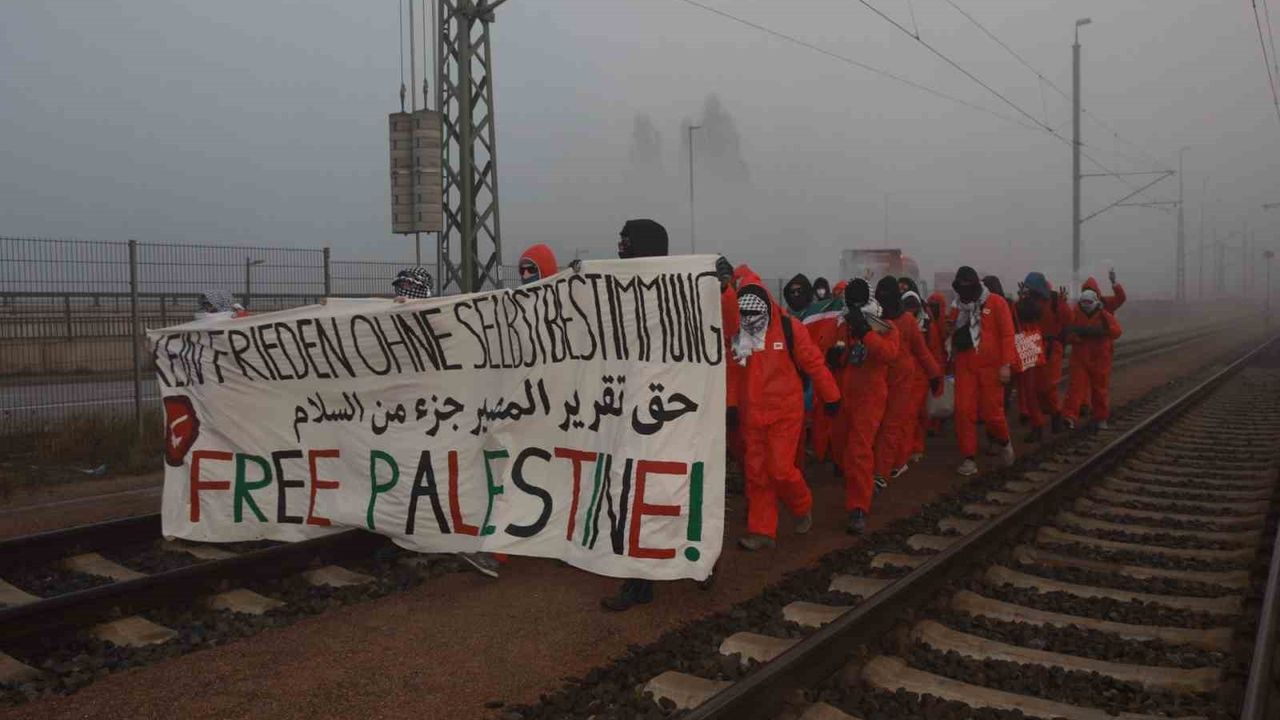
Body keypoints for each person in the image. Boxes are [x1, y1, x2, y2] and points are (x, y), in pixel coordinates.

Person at [728, 282, 841, 550]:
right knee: (756, 474)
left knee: (780, 470)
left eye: (753, 314)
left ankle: (802, 505)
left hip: (785, 413)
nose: (749, 320)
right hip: (752, 415)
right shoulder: (740, 335)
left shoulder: (790, 328)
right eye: (744, 315)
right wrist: (731, 405)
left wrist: (831, 396)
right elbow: (733, 372)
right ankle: (762, 531)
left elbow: (814, 362)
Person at [602, 219, 670, 612]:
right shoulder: (621, 289)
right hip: (626, 407)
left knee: (657, 490)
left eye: (626, 241)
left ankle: (687, 558)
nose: (620, 246)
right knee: (631, 490)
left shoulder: (673, 290)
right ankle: (640, 576)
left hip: (661, 410)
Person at [831, 279, 900, 534]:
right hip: (846, 393)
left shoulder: (886, 326)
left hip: (870, 396)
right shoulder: (845, 323)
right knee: (841, 447)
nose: (855, 306)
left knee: (859, 450)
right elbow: (838, 352)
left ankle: (858, 507)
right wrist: (834, 356)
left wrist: (866, 333)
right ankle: (859, 489)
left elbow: (890, 354)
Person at [873, 277, 942, 487]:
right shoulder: (902, 320)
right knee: (884, 426)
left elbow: (922, 352)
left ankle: (881, 471)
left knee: (890, 425)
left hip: (896, 380)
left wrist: (934, 374)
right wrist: (935, 375)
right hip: (884, 378)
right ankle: (880, 469)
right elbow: (922, 352)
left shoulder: (878, 319)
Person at [949, 266, 1017, 476]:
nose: (965, 291)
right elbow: (948, 330)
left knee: (992, 413)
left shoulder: (996, 303)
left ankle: (1004, 442)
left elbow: (1007, 334)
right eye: (961, 287)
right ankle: (968, 456)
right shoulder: (957, 307)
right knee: (963, 410)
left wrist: (1006, 364)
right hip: (964, 365)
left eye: (968, 286)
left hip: (991, 367)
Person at [1014, 272, 1071, 442]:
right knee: (1030, 389)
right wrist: (1021, 300)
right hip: (1029, 343)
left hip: (1051, 346)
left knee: (1047, 386)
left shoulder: (1054, 301)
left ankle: (1055, 414)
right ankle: (1037, 425)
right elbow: (1017, 317)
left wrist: (1062, 303)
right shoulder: (1024, 302)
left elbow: (1069, 319)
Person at [896, 286, 944, 469]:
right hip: (905, 375)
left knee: (915, 415)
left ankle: (912, 450)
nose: (911, 310)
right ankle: (910, 449)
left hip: (920, 377)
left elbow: (934, 352)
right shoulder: (901, 323)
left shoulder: (926, 326)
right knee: (909, 416)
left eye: (913, 306)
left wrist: (935, 376)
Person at [1062, 288, 1122, 430]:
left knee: (1100, 389)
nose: (1085, 305)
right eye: (1083, 302)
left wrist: (1103, 332)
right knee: (1075, 388)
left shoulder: (1104, 316)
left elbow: (1117, 331)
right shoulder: (1075, 315)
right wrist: (1076, 337)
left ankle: (1101, 417)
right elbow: (1067, 334)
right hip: (1080, 356)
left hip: (1100, 358)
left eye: (1088, 302)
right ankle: (1069, 416)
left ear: (1095, 302)